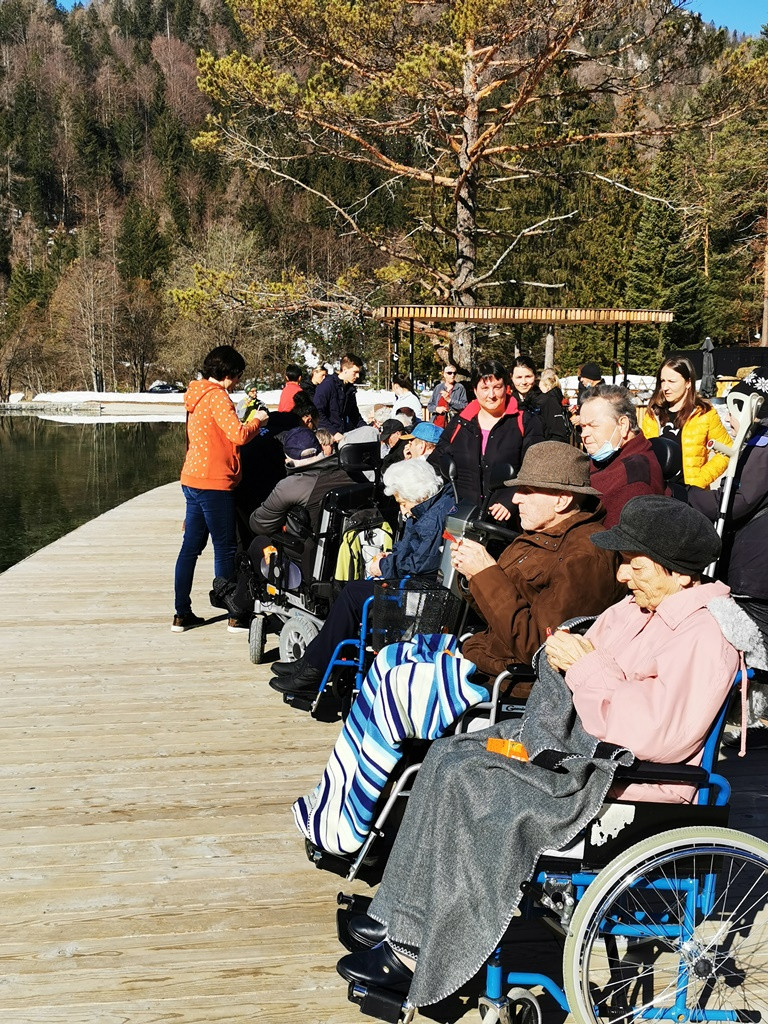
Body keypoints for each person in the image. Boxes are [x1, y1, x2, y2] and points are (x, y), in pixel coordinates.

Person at [336, 496, 759, 1009]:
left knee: (477, 784)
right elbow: (586, 659)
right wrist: (566, 648)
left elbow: (657, 735)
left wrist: (584, 667)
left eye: (635, 565)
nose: (623, 576)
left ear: (681, 575)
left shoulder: (704, 634)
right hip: (582, 752)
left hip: (633, 777)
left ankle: (417, 953)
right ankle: (400, 917)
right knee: (448, 755)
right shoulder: (635, 608)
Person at [291, 442, 625, 854]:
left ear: (562, 498)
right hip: (484, 654)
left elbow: (538, 651)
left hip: (510, 680)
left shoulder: (583, 556)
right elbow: (501, 613)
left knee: (398, 688)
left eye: (527, 490)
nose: (515, 497)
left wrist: (485, 573)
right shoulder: (544, 536)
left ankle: (348, 829)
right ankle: (340, 806)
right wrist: (472, 577)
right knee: (386, 662)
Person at [269, 460, 459, 696]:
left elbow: (419, 565)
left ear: (416, 494)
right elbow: (411, 553)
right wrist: (389, 557)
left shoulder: (430, 518)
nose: (401, 509)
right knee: (353, 592)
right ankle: (310, 663)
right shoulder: (428, 507)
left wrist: (383, 564)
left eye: (402, 502)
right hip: (416, 583)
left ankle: (313, 669)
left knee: (351, 595)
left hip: (421, 592)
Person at [172, 345, 267, 633]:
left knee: (190, 548)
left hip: (192, 478)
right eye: (237, 376)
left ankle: (181, 613)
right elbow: (237, 435)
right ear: (227, 374)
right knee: (225, 548)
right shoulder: (217, 398)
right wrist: (257, 421)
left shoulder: (195, 396)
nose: (238, 382)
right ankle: (235, 615)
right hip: (214, 482)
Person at [686, 371, 768, 655]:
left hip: (756, 575)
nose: (728, 419)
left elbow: (741, 501)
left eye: (735, 410)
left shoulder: (763, 445)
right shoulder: (756, 442)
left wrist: (691, 495)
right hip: (753, 567)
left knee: (754, 652)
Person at [436, 358, 543, 521]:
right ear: (475, 390)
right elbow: (437, 461)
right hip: (462, 515)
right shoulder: (460, 422)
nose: (491, 395)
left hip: (505, 519)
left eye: (497, 387)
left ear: (507, 388)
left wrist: (511, 499)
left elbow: (536, 468)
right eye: (485, 388)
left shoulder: (525, 422)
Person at [579, 384, 666, 526]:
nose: (584, 434)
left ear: (623, 425)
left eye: (593, 426)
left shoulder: (635, 477)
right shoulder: (605, 458)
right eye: (582, 427)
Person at [641, 355, 730, 488]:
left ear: (688, 382)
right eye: (662, 381)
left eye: (672, 381)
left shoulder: (704, 413)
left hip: (689, 496)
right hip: (657, 492)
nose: (665, 387)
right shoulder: (654, 413)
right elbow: (643, 451)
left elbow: (726, 451)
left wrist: (699, 481)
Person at [510, 356, 570, 442]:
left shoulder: (547, 401)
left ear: (535, 376)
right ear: (511, 377)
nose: (523, 382)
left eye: (528, 376)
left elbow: (559, 436)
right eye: (519, 377)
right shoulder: (507, 403)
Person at [314, 354, 366, 440]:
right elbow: (317, 412)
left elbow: (354, 415)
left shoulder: (349, 389)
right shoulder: (327, 385)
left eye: (358, 372)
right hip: (327, 438)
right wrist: (334, 433)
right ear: (345, 369)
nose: (357, 376)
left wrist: (366, 429)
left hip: (343, 435)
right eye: (355, 372)